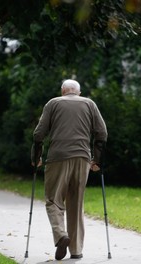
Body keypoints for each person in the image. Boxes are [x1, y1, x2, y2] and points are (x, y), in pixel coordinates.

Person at [31, 79, 107, 260]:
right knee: (76, 202)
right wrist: (97, 160)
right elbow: (102, 133)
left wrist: (36, 158)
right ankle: (76, 249)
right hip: (82, 158)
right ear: (78, 92)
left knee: (53, 199)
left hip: (58, 157)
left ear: (62, 91)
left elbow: (38, 134)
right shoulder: (89, 104)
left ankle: (61, 235)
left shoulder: (53, 103)